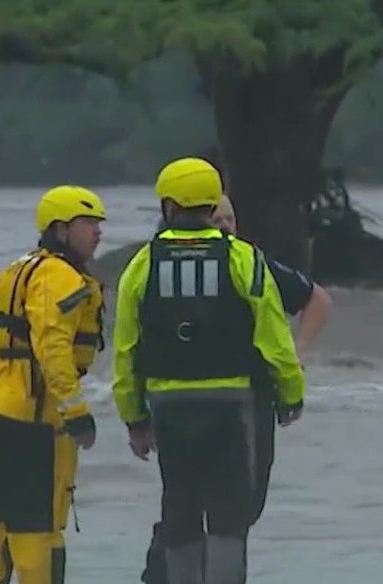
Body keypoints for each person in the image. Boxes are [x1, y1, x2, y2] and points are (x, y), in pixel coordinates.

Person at [112, 157, 306, 584]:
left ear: (168, 206)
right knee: (228, 517)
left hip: (167, 403)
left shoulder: (141, 265)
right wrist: (291, 394)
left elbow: (125, 350)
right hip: (230, 402)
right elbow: (274, 337)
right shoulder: (243, 258)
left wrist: (134, 417)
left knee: (179, 508)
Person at [0, 185, 107, 584]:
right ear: (61, 230)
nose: (97, 232)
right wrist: (76, 411)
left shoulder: (15, 271)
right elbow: (52, 345)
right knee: (37, 531)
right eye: (88, 224)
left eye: (99, 224)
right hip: (31, 419)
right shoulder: (59, 276)